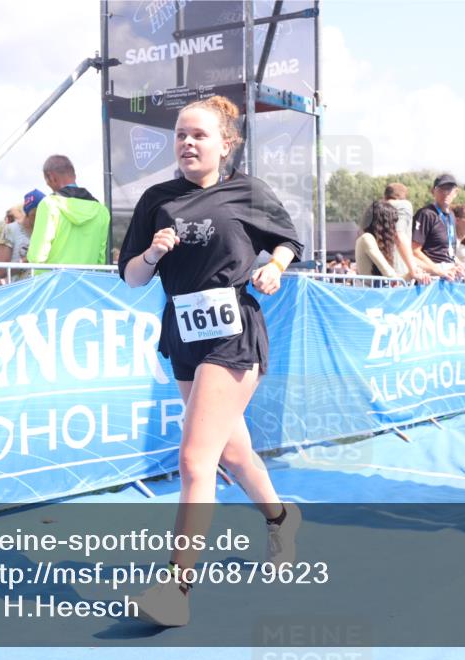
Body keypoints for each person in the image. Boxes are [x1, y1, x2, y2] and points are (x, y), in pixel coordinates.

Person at [118, 95, 304, 627]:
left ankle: (176, 588)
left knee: (195, 460)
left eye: (198, 135)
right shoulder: (157, 200)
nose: (186, 143)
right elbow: (131, 276)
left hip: (233, 334)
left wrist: (276, 267)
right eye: (180, 134)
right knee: (234, 454)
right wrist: (153, 254)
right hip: (183, 334)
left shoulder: (248, 192)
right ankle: (281, 519)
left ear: (226, 144)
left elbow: (288, 240)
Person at [27, 155, 110, 269]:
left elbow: (36, 257)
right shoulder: (102, 211)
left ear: (51, 177)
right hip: (87, 279)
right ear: (74, 175)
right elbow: (101, 260)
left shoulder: (48, 205)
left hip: (53, 280)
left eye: (46, 180)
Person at [411, 174, 465, 280]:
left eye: (449, 189)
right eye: (441, 189)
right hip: (431, 277)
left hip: (449, 273)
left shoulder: (451, 216)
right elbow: (414, 251)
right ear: (433, 191)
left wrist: (461, 266)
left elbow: (447, 251)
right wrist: (438, 270)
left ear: (455, 193)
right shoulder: (426, 214)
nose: (445, 193)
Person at [0, 192, 40, 284]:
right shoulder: (11, 230)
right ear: (29, 212)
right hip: (18, 289)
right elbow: (1, 271)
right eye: (36, 213)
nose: (40, 217)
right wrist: (27, 259)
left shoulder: (46, 230)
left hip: (40, 288)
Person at [356, 200, 406, 279]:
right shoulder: (367, 238)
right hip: (370, 287)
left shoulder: (366, 238)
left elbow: (393, 279)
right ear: (384, 224)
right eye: (392, 224)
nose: (394, 228)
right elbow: (390, 275)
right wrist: (413, 273)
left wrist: (413, 274)